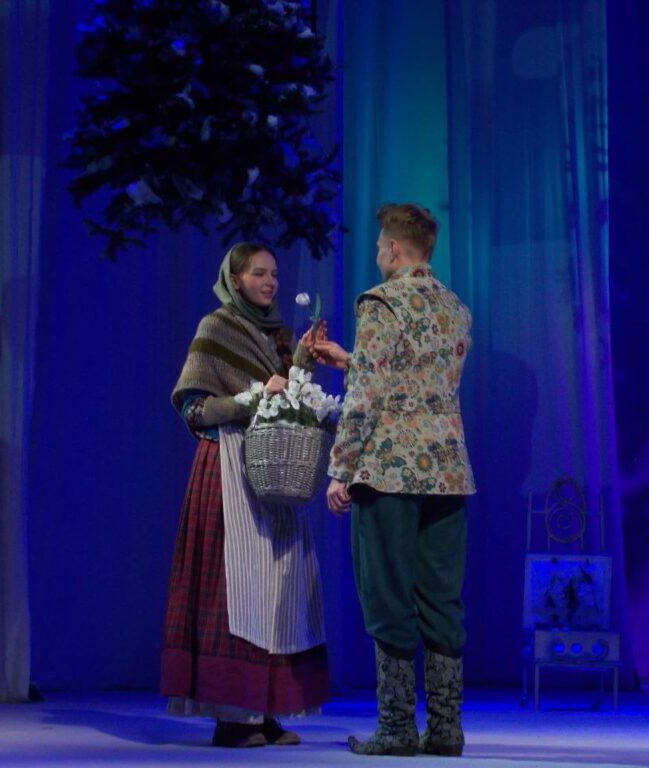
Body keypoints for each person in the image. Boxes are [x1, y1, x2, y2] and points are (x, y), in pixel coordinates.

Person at [310, 204, 476, 757]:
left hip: (388, 468)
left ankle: (398, 727)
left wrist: (340, 469)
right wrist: (351, 359)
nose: (378, 252)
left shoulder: (380, 302)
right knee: (442, 598)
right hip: (447, 470)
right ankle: (447, 729)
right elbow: (418, 379)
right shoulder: (456, 308)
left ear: (395, 250)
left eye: (381, 244)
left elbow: (368, 397)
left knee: (386, 594)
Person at [162, 242, 330, 748]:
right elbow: (193, 408)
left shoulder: (277, 335)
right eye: (259, 273)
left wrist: (302, 361)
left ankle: (267, 707)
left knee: (277, 587)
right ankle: (233, 715)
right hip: (228, 467)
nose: (270, 282)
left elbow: (290, 399)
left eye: (274, 274)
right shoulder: (216, 328)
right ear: (234, 280)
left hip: (272, 470)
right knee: (236, 590)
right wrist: (250, 399)